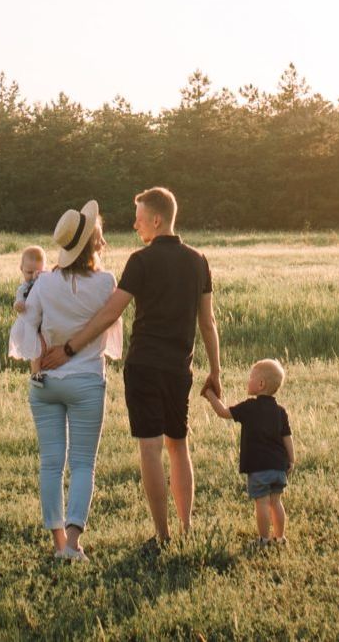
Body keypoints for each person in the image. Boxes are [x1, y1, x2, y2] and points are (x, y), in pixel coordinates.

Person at [38, 185, 219, 551]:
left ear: (156, 219)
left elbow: (109, 313)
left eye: (139, 220)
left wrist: (70, 347)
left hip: (144, 366)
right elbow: (208, 322)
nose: (136, 227)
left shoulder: (141, 261)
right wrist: (215, 370)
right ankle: (186, 529)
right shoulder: (199, 261)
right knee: (179, 445)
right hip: (179, 368)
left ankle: (163, 536)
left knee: (151, 448)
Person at [15, 200, 122, 561]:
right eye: (100, 237)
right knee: (82, 464)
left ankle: (57, 542)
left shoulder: (43, 284)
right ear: (92, 244)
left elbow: (25, 328)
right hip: (86, 382)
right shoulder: (106, 281)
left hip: (45, 382)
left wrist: (38, 359)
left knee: (50, 463)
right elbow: (110, 335)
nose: (103, 243)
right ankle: (74, 544)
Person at [201, 358, 294, 547]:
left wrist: (210, 394)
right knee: (276, 502)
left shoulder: (249, 407)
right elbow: (287, 437)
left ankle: (264, 540)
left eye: (251, 377)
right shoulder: (280, 411)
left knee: (261, 503)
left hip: (259, 468)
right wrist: (291, 460)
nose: (248, 380)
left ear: (261, 384)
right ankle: (280, 538)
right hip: (278, 467)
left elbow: (223, 412)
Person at [7, 244, 47, 360]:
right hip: (29, 323)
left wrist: (43, 277)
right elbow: (18, 300)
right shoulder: (23, 288)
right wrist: (18, 305)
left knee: (45, 347)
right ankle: (36, 372)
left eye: (38, 272)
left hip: (45, 322)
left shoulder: (45, 282)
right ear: (21, 269)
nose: (33, 276)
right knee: (33, 351)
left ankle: (45, 369)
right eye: (29, 272)